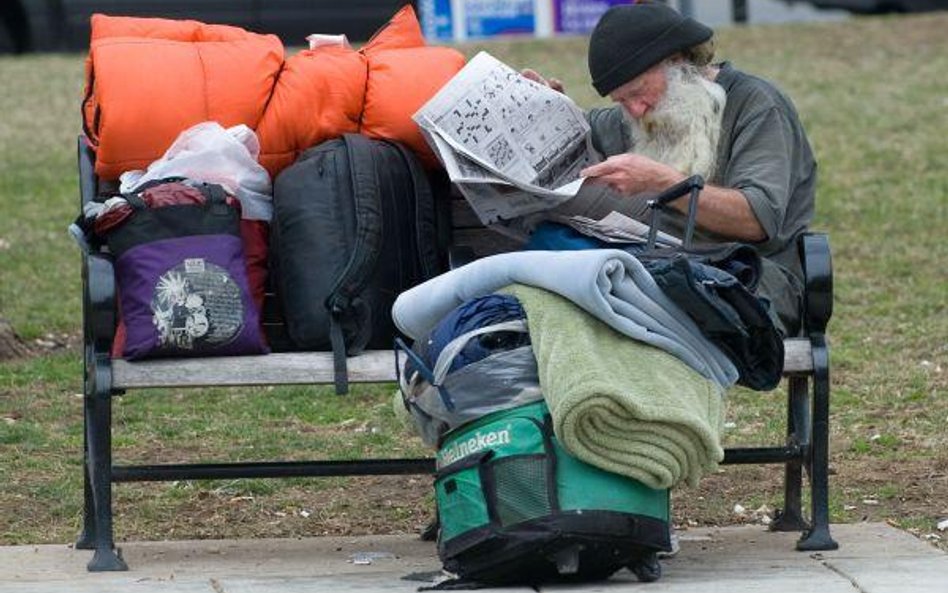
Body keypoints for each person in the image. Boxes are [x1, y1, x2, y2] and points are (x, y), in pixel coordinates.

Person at [523, 1, 816, 338]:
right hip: (657, 270)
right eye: (621, 101)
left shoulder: (758, 105)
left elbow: (757, 220)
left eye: (638, 93)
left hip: (748, 282)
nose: (635, 110)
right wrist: (551, 109)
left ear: (677, 62)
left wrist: (664, 183)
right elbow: (578, 131)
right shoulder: (636, 115)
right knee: (551, 271)